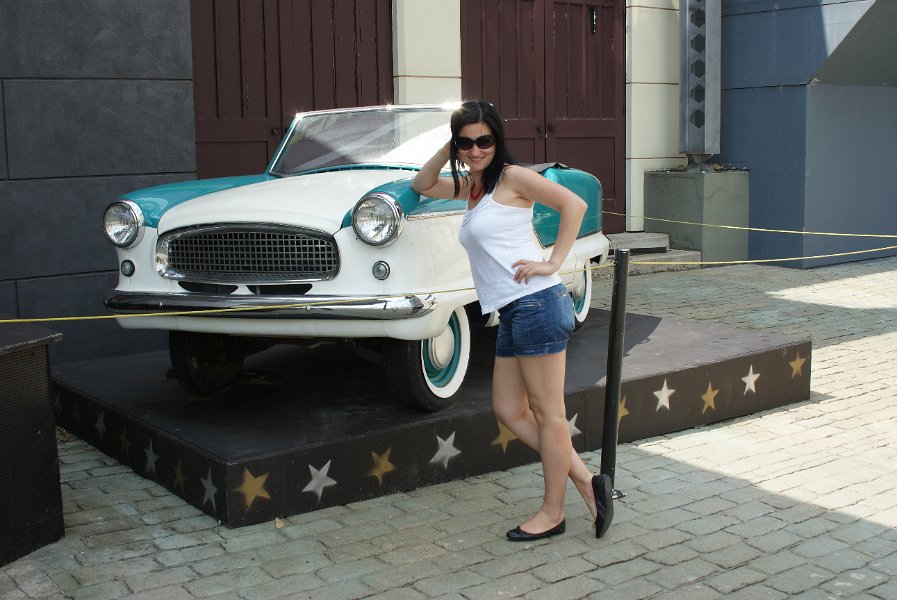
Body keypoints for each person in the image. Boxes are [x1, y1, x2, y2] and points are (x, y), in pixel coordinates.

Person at [412, 100, 613, 541]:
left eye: (484, 141)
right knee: (508, 410)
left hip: (537, 303)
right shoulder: (473, 186)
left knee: (549, 414)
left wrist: (553, 261)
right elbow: (422, 184)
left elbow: (574, 205)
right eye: (466, 143)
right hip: (513, 311)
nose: (475, 150)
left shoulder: (512, 177)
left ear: (498, 139)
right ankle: (587, 481)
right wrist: (449, 148)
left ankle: (553, 513)